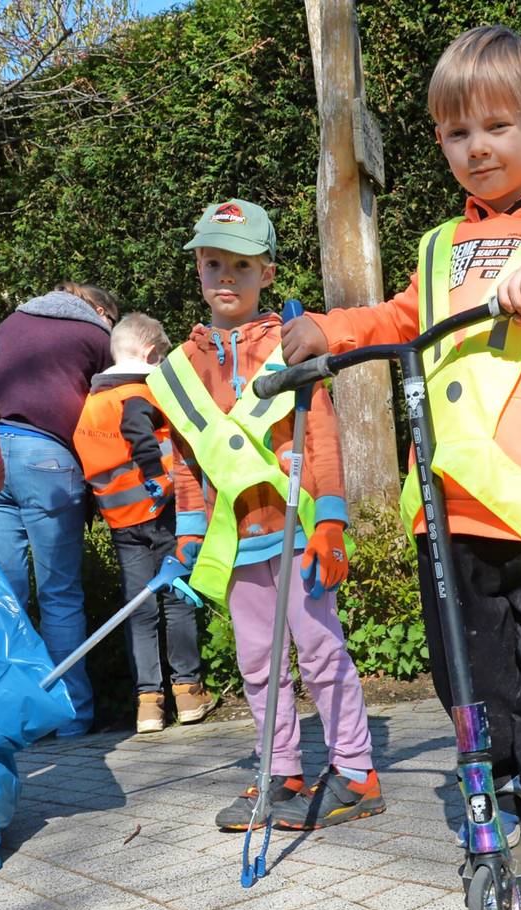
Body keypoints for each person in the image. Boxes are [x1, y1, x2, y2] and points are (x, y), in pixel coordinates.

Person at [281, 26, 521, 910]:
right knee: (474, 684)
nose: (475, 149)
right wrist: (330, 333)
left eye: (495, 127)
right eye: (455, 133)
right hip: (448, 514)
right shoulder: (440, 243)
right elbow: (403, 319)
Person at [148, 199, 382, 832]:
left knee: (320, 651)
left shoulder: (290, 344)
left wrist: (330, 522)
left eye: (242, 266)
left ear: (267, 274)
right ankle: (279, 773)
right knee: (256, 663)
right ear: (198, 268)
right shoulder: (182, 368)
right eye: (214, 263)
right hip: (236, 542)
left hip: (298, 529)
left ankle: (357, 772)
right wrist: (190, 534)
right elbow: (187, 465)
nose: (226, 278)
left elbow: (322, 438)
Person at [0, 283, 117, 736]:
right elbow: (115, 405)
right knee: (59, 594)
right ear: (98, 310)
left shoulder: (9, 325)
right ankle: (72, 718)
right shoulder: (95, 336)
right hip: (49, 459)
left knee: (5, 600)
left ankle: (16, 722)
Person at [72, 312, 215, 733]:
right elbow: (137, 427)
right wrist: (156, 474)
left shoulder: (92, 402)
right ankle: (188, 692)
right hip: (161, 512)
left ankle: (148, 704)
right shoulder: (138, 393)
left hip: (122, 521)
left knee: (139, 607)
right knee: (177, 596)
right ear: (151, 353)